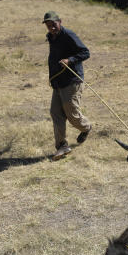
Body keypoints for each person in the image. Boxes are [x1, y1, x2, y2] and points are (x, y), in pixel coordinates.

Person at [44, 11, 92, 160]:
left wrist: (69, 60)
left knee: (71, 114)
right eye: (48, 25)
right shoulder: (51, 37)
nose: (51, 28)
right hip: (58, 82)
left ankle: (86, 127)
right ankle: (62, 146)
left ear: (60, 21)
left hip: (72, 81)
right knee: (55, 113)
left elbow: (85, 52)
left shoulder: (68, 35)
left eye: (54, 24)